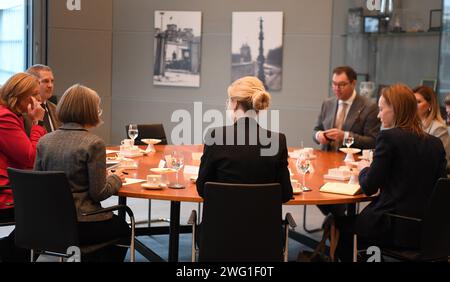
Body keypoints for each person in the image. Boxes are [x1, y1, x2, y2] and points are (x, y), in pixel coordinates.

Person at [335, 84, 447, 262]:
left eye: (380, 109)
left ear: (394, 109)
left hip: (393, 224)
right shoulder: (435, 143)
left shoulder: (389, 138)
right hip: (429, 229)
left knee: (339, 224)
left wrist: (364, 169)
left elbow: (369, 187)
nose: (378, 115)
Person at [34, 84, 130, 262]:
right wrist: (116, 179)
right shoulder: (93, 143)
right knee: (123, 228)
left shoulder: (44, 141)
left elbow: (37, 183)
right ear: (90, 111)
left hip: (48, 221)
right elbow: (98, 193)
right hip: (81, 222)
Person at [197, 76, 293, 203]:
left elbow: (202, 189)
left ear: (235, 103)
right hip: (263, 222)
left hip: (222, 221)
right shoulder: (277, 140)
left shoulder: (215, 135)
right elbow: (286, 194)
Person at [313, 66, 381, 217]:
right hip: (325, 162)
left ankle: (338, 224)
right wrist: (319, 135)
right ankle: (337, 221)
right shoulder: (328, 103)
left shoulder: (369, 107)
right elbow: (316, 129)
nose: (337, 88)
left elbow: (373, 141)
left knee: (336, 201)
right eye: (334, 84)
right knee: (314, 189)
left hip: (351, 166)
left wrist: (345, 136)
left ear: (353, 83)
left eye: (341, 84)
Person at [0, 72, 46, 261]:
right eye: (34, 94)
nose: (38, 99)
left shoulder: (13, 115)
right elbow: (31, 157)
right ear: (18, 96)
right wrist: (38, 123)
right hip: (5, 191)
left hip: (13, 184)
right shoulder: (4, 118)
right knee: (54, 210)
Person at [413, 86, 450, 163]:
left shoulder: (438, 129)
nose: (413, 105)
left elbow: (441, 160)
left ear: (430, 105)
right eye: (412, 101)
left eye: (418, 102)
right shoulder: (409, 125)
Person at [24, 64, 61, 134]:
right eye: (45, 81)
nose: (50, 85)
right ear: (32, 83)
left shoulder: (56, 109)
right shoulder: (23, 110)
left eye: (52, 81)